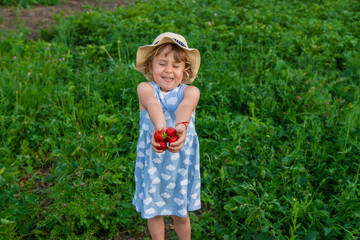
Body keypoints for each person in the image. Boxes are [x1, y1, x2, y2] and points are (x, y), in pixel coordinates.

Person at [133, 32, 201, 240]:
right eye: (162, 63)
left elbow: (186, 107)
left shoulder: (191, 92)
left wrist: (180, 126)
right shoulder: (145, 88)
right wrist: (160, 127)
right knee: (154, 213)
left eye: (176, 65)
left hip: (179, 164)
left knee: (180, 214)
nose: (168, 70)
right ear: (150, 66)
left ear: (185, 70)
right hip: (153, 164)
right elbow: (152, 105)